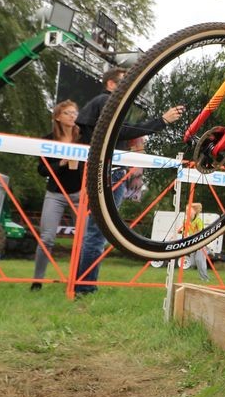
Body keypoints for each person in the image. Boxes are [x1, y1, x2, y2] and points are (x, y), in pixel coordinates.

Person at [73, 67, 183, 295]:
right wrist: (161, 121)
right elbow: (121, 132)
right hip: (108, 172)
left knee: (97, 231)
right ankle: (84, 287)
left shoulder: (103, 104)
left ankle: (84, 283)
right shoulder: (105, 101)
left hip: (110, 171)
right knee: (97, 231)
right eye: (125, 82)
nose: (129, 86)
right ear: (111, 84)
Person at [31, 101, 84, 291]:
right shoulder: (48, 139)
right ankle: (37, 281)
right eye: (68, 113)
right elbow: (41, 169)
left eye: (74, 112)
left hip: (80, 192)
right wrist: (61, 162)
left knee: (85, 237)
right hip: (55, 193)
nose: (72, 116)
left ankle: (79, 282)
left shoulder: (83, 138)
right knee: (47, 238)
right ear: (58, 117)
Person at [176, 201, 213, 282]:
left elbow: (200, 231)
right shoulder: (185, 221)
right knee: (193, 263)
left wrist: (194, 235)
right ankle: (208, 250)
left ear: (195, 212)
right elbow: (185, 231)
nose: (187, 212)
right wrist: (180, 232)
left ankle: (205, 278)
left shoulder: (198, 220)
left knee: (199, 260)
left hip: (200, 243)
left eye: (189, 210)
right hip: (193, 243)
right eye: (186, 210)